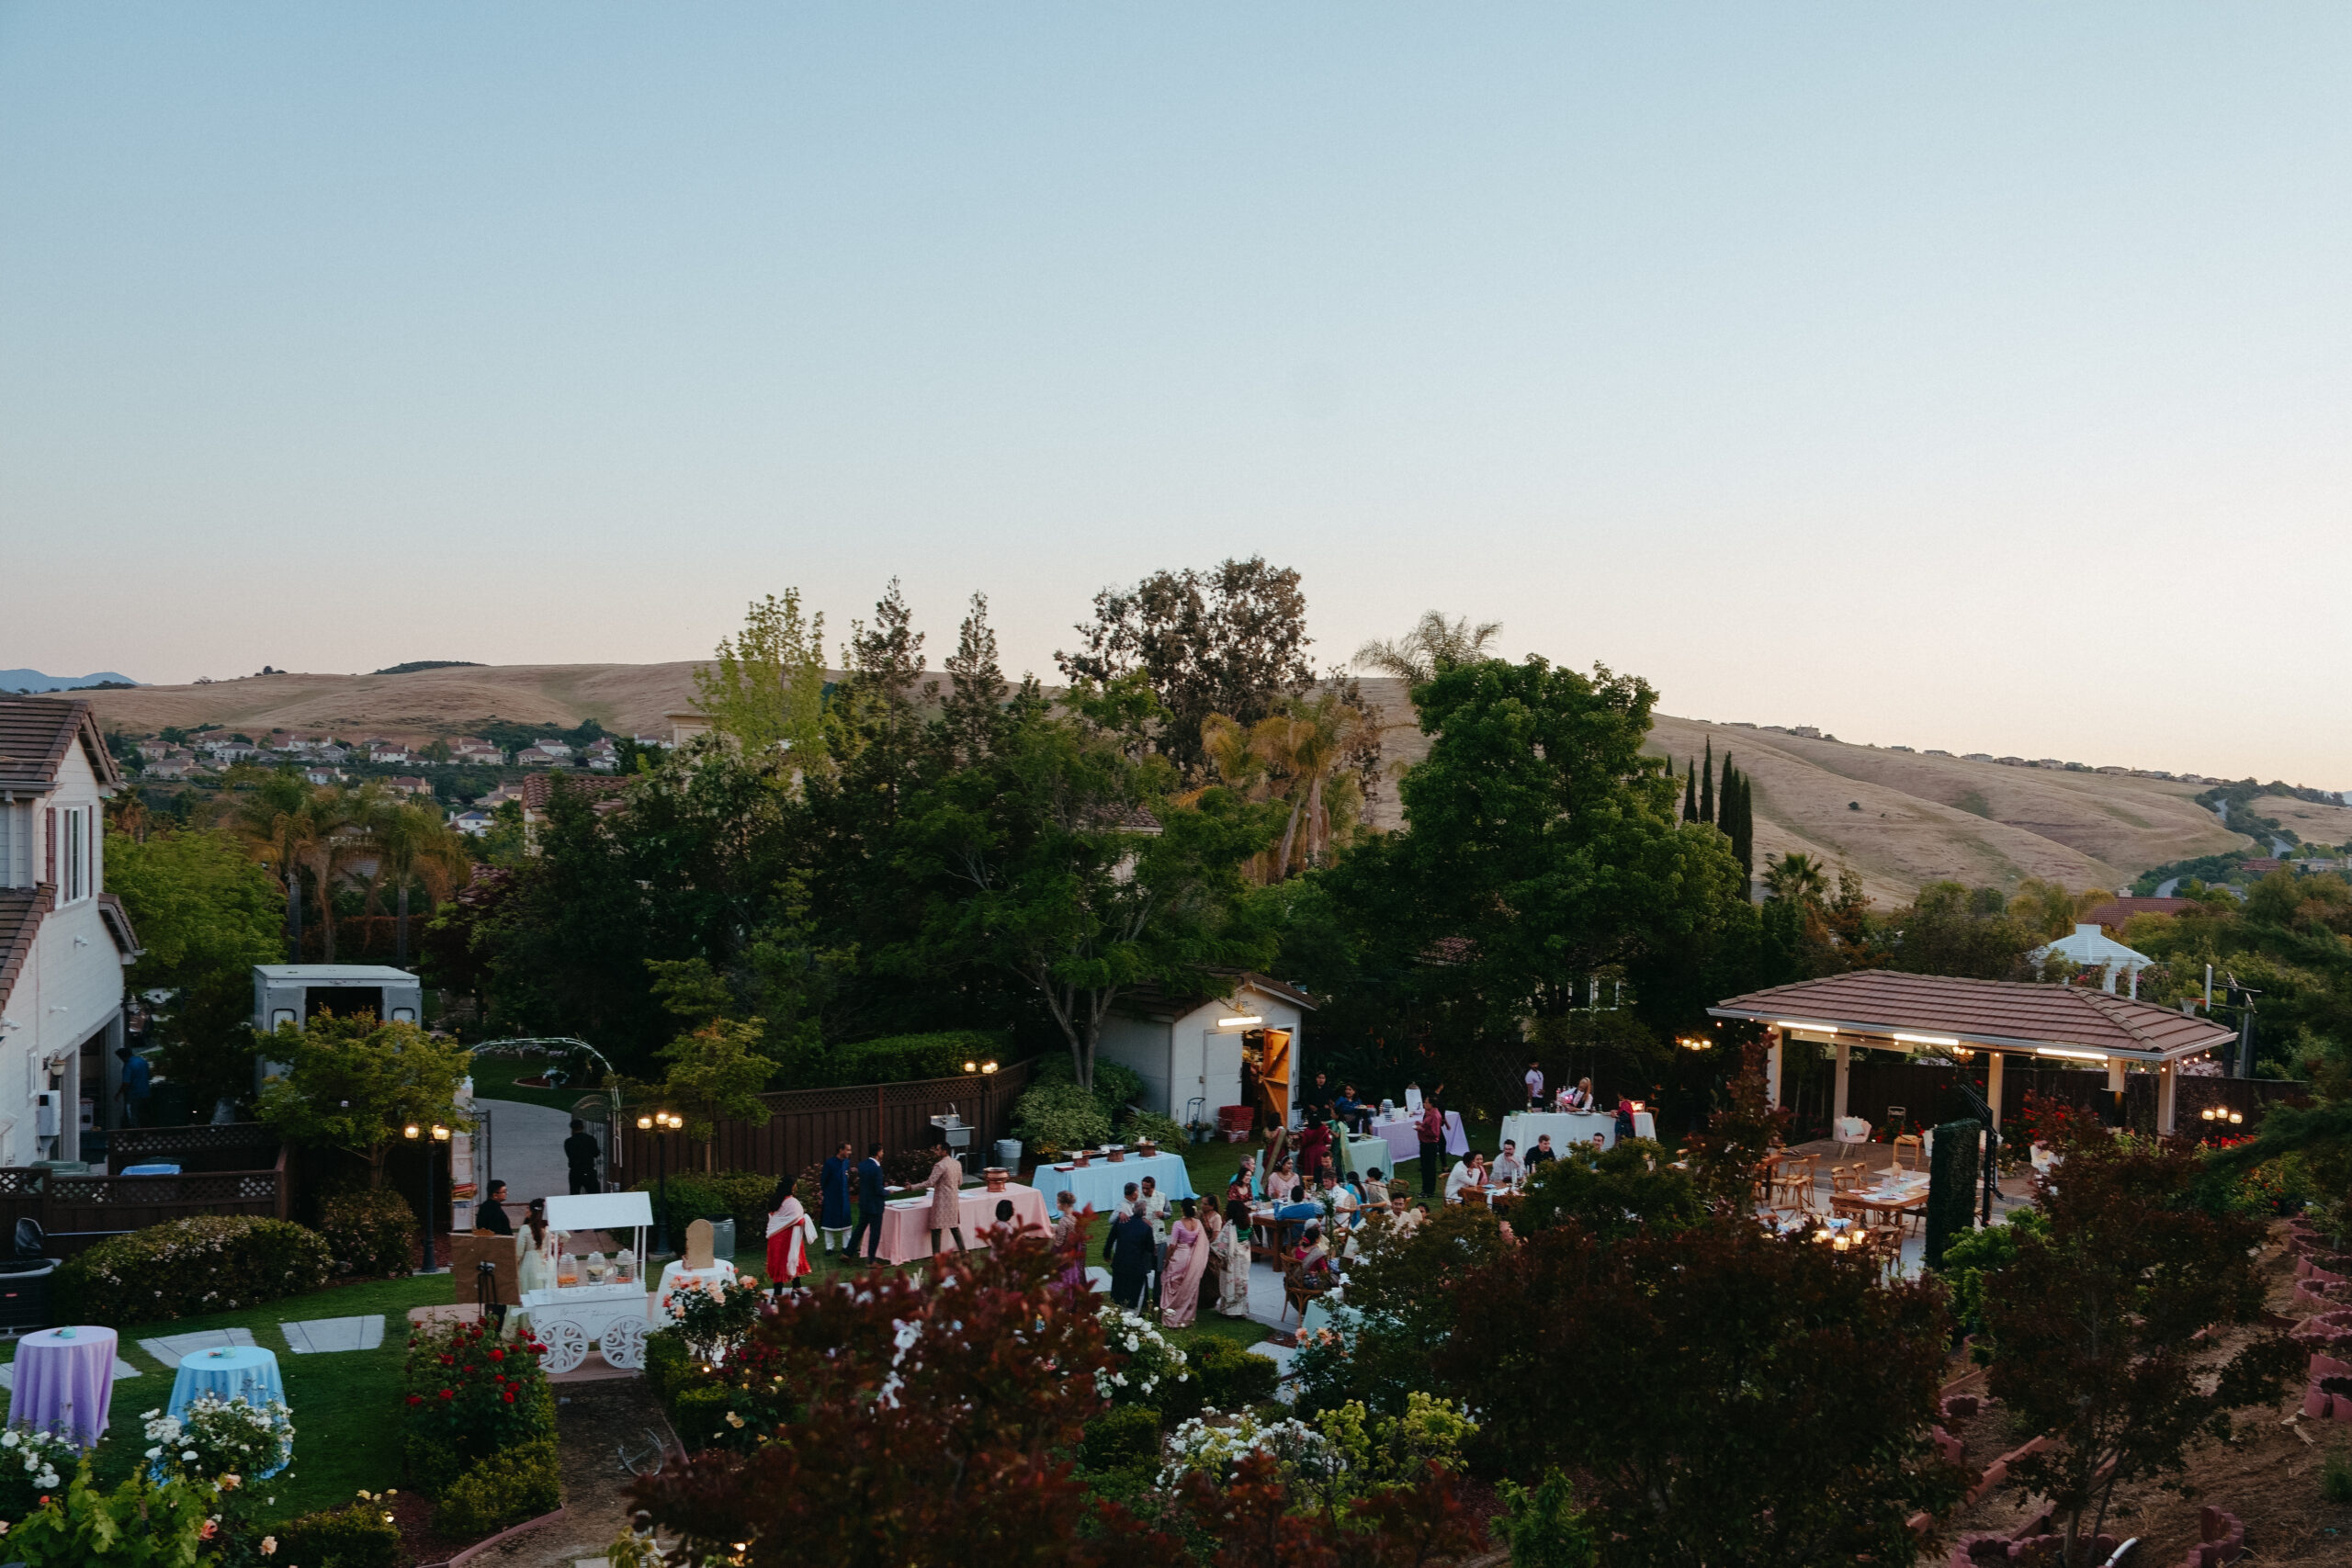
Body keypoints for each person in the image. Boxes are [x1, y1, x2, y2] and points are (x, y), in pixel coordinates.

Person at [1103, 1186, 1157, 1310]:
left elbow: (1110, 1239)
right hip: (1136, 1266)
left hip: (1120, 1262)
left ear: (1133, 1209)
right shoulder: (1146, 1228)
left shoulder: (1122, 1222)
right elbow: (1150, 1248)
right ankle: (1134, 1314)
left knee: (1119, 1289)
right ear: (1144, 1212)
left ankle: (1118, 1310)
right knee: (1135, 1292)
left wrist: (1107, 1254)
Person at [1159, 1199, 1209, 1328]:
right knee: (1189, 1286)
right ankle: (1186, 1318)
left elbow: (1172, 1246)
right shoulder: (1198, 1223)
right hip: (1193, 1258)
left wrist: (1166, 1260)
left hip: (1179, 1257)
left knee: (1173, 1285)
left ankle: (1172, 1319)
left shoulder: (1178, 1224)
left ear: (1182, 1209)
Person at [766, 1177, 815, 1287]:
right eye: (795, 1185)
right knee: (792, 1259)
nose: (796, 1187)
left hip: (776, 1238)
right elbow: (798, 1221)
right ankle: (786, 1292)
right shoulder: (792, 1202)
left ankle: (789, 1290)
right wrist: (805, 1218)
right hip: (788, 1238)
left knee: (780, 1263)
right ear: (790, 1187)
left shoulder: (775, 1200)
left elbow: (774, 1217)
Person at [925, 1134, 968, 1257]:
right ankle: (963, 1251)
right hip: (953, 1199)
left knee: (936, 1228)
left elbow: (929, 1182)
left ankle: (936, 1255)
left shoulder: (940, 1166)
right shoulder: (957, 1164)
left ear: (944, 1151)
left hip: (941, 1201)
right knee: (954, 1226)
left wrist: (912, 1187)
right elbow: (960, 1182)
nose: (936, 1152)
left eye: (938, 1149)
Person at [847, 1142, 888, 1262]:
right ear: (878, 1153)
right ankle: (871, 1260)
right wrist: (888, 1192)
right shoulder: (877, 1169)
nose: (883, 1153)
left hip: (864, 1202)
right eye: (882, 1151)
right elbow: (878, 1189)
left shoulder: (862, 1165)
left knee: (860, 1229)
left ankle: (848, 1253)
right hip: (875, 1205)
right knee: (875, 1233)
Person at [816, 1142, 854, 1254]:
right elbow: (824, 1180)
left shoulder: (847, 1162)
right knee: (829, 1221)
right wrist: (828, 1192)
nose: (849, 1152)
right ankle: (829, 1247)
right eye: (848, 1150)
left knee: (847, 1221)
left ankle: (846, 1246)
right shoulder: (829, 1163)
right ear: (841, 1150)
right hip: (832, 1197)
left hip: (844, 1196)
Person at [516, 1201, 561, 1294]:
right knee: (548, 1292)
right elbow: (566, 1236)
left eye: (528, 1208)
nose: (526, 1210)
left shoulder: (525, 1229)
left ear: (533, 1212)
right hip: (548, 1264)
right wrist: (554, 1248)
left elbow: (518, 1253)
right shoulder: (549, 1227)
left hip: (530, 1264)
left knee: (531, 1293)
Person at [1417, 1094, 1446, 1198]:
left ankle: (1429, 1191)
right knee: (1425, 1167)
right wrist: (1421, 1125)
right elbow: (1427, 1126)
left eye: (1426, 1102)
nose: (1424, 1104)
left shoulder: (1435, 1115)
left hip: (1430, 1145)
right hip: (1424, 1143)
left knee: (1429, 1168)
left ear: (1431, 1104)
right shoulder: (1429, 1114)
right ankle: (1425, 1189)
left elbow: (1435, 1133)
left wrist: (1421, 1129)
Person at [115, 1046, 152, 1128]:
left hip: (134, 1094)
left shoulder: (128, 1065)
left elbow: (126, 1083)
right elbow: (149, 1076)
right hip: (146, 1092)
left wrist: (118, 1093)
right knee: (144, 1114)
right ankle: (147, 1131)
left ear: (123, 1056)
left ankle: (136, 1134)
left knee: (133, 1115)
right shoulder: (142, 1061)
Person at [563, 1118, 602, 1195]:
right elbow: (596, 1153)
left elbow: (569, 1154)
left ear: (572, 1128)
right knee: (595, 1194)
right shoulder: (590, 1139)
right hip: (588, 1170)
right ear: (582, 1127)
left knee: (575, 1195)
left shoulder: (568, 1142)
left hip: (575, 1171)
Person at [1296, 1113, 1331, 1183]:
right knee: (1321, 1171)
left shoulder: (1307, 1131)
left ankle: (1309, 1189)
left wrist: (1299, 1160)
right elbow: (1328, 1140)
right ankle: (1322, 1187)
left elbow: (1304, 1144)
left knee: (1310, 1171)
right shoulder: (1323, 1129)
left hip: (1310, 1153)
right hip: (1321, 1153)